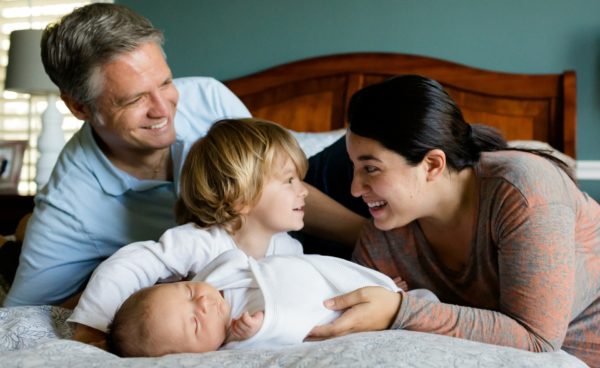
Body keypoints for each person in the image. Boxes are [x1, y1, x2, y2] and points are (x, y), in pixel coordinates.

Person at [4, 3, 366, 309]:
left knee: (372, 144)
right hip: (243, 258)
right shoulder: (70, 205)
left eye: (165, 82)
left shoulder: (207, 97)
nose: (164, 110)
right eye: (134, 99)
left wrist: (369, 236)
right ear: (80, 107)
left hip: (290, 211)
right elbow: (24, 314)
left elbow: (280, 183)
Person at [307, 75, 600, 367]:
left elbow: (538, 339)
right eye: (354, 168)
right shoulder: (383, 234)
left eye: (371, 169)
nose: (355, 189)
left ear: (432, 165)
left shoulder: (523, 190)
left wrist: (400, 310)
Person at [69, 118, 429, 352]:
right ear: (241, 197)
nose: (303, 192)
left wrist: (372, 287)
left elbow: (311, 293)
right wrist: (92, 330)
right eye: (289, 181)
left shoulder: (287, 248)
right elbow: (131, 265)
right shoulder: (200, 241)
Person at [108, 249, 434, 357]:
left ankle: (397, 296)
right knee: (422, 318)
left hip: (332, 280)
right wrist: (259, 328)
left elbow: (246, 261)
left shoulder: (219, 275)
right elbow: (294, 335)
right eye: (194, 323)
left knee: (420, 301)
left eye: (190, 293)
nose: (205, 304)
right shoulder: (236, 342)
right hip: (334, 312)